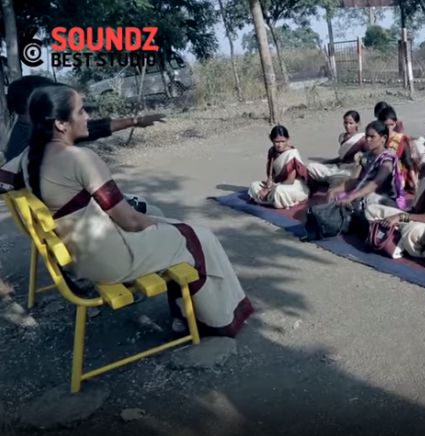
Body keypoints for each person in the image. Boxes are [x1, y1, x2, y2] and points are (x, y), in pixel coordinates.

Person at [19, 84, 254, 337]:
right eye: (81, 111)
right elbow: (130, 221)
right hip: (110, 261)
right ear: (60, 124)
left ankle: (182, 314)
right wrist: (166, 226)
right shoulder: (80, 158)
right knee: (199, 237)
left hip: (82, 258)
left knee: (169, 225)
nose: (87, 116)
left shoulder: (28, 157)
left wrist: (160, 224)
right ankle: (217, 320)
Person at [1, 75, 165, 216]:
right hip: (83, 218)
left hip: (61, 217)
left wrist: (134, 121)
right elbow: (91, 129)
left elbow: (92, 128)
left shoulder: (24, 135)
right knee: (154, 211)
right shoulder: (43, 141)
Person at [365, 123, 425, 261]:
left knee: (413, 232)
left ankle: (397, 238)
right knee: (371, 209)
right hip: (413, 215)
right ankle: (396, 238)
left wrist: (399, 217)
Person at [327, 120, 406, 210]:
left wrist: (353, 196)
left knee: (358, 201)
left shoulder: (387, 160)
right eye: (367, 136)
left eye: (372, 137)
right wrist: (336, 190)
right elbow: (357, 180)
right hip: (367, 193)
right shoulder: (366, 156)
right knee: (337, 197)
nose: (368, 140)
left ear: (383, 138)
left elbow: (376, 183)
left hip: (383, 198)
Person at [248, 125, 309, 209]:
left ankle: (271, 199)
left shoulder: (292, 154)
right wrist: (268, 185)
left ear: (288, 139)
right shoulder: (272, 151)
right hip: (277, 183)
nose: (280, 145)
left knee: (279, 191)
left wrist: (270, 189)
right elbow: (271, 175)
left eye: (283, 141)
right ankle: (271, 200)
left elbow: (290, 181)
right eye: (277, 142)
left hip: (293, 185)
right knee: (254, 186)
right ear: (271, 139)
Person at [307, 110, 366, 187]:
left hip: (351, 170)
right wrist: (327, 162)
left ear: (357, 123)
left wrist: (359, 157)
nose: (348, 126)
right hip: (339, 167)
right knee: (310, 166)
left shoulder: (362, 139)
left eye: (351, 123)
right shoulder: (342, 137)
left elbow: (365, 157)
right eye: (345, 123)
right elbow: (341, 158)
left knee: (339, 179)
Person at [377, 106, 418, 192]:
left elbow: (408, 162)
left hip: (396, 174)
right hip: (378, 170)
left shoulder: (400, 139)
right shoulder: (376, 138)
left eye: (391, 125)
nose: (389, 128)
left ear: (395, 123)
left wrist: (415, 185)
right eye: (386, 125)